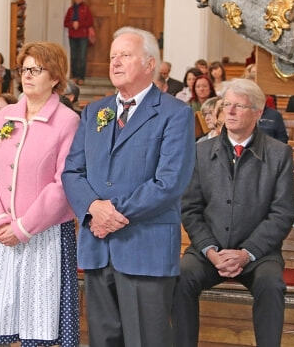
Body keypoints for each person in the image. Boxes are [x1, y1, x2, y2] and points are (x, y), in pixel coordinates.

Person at [62, 27, 195, 346]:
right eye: (112, 56)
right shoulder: (95, 112)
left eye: (125, 55)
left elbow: (169, 182)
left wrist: (111, 213)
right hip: (98, 247)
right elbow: (72, 171)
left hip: (144, 247)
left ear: (150, 64)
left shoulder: (175, 114)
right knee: (103, 339)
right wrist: (93, 209)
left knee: (145, 340)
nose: (115, 62)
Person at [173, 78, 294, 347]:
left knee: (271, 284)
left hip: (259, 254)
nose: (229, 111)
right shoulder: (200, 151)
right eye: (226, 104)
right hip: (210, 250)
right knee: (180, 277)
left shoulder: (279, 154)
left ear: (258, 113)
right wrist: (210, 250)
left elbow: (282, 214)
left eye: (238, 106)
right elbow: (190, 209)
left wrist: (246, 253)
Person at [0, 42, 80, 346]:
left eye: (37, 69)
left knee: (40, 325)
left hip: (43, 236)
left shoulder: (67, 121)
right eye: (25, 69)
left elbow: (62, 184)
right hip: (2, 234)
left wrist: (23, 227)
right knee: (5, 322)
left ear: (55, 77)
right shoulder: (7, 115)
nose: (28, 75)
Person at [63, 0, 94, 85]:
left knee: (82, 57)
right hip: (72, 36)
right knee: (74, 56)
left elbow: (90, 22)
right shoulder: (71, 9)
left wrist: (79, 24)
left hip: (83, 36)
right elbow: (65, 23)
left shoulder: (86, 9)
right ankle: (74, 76)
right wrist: (72, 24)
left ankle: (81, 77)